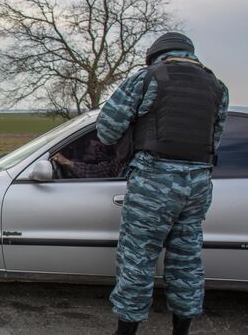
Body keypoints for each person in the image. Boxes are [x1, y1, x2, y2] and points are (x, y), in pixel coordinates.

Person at [96, 32, 229, 335]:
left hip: (154, 181)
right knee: (186, 263)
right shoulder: (218, 87)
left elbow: (106, 130)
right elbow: (214, 141)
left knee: (137, 260)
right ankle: (181, 331)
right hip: (198, 184)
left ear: (155, 55)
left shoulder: (146, 78)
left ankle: (125, 332)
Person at [50, 139, 122, 178]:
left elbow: (98, 171)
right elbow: (101, 170)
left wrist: (67, 162)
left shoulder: (124, 163)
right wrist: (68, 163)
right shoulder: (121, 162)